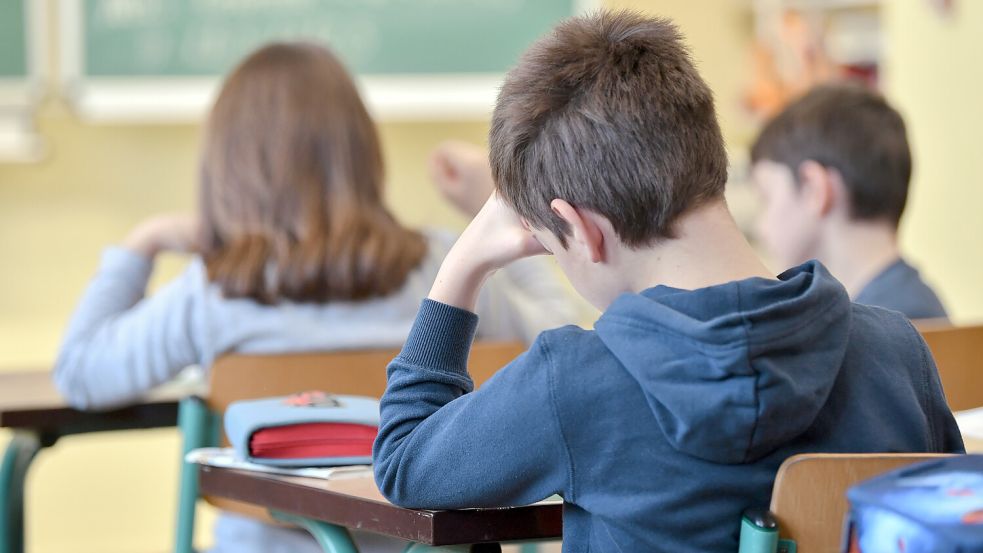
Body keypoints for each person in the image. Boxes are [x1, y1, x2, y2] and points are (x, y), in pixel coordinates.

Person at [372, 12, 964, 552]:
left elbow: (402, 461)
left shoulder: (576, 381)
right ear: (710, 156)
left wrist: (463, 263)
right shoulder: (898, 353)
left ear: (583, 232)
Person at [54, 42, 577, 553]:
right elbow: (553, 339)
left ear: (228, 166)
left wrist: (140, 246)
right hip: (419, 545)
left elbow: (81, 373)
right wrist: (494, 210)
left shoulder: (212, 290)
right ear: (361, 153)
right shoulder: (445, 269)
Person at [750, 83, 947, 320]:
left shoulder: (886, 329)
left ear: (814, 188)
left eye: (766, 198)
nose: (760, 228)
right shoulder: (906, 306)